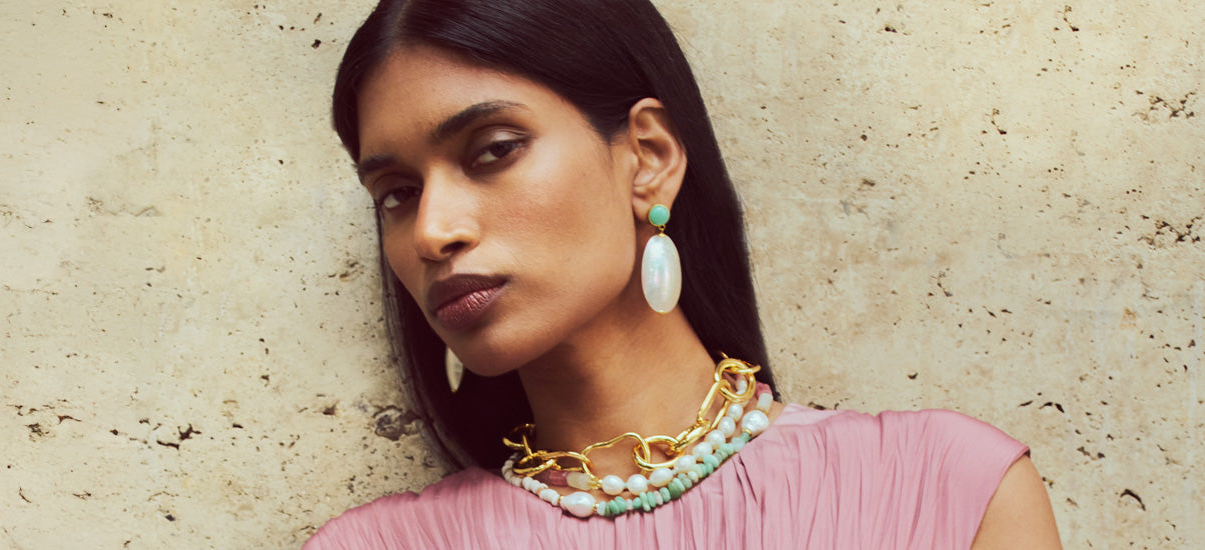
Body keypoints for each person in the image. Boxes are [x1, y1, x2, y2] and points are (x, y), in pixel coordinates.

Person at [306, 0, 1063, 547]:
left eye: (494, 150)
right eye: (397, 194)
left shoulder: (947, 490)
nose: (433, 230)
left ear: (649, 158)